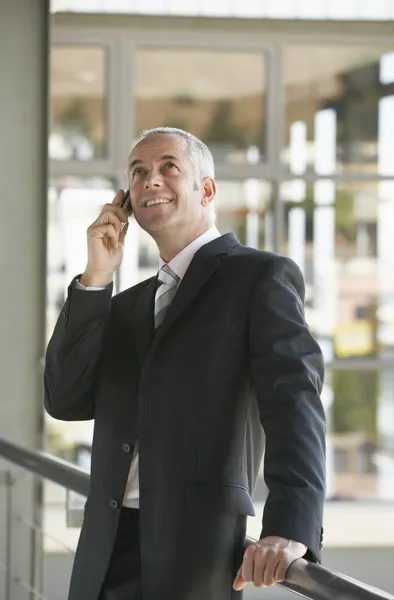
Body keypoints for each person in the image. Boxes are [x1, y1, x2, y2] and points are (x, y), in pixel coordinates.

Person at [44, 127, 326, 600]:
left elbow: (294, 403)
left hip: (195, 553)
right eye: (138, 173)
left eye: (168, 168)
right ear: (128, 200)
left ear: (207, 189)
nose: (150, 180)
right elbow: (65, 398)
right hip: (104, 549)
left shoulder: (258, 277)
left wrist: (290, 527)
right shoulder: (128, 305)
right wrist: (95, 279)